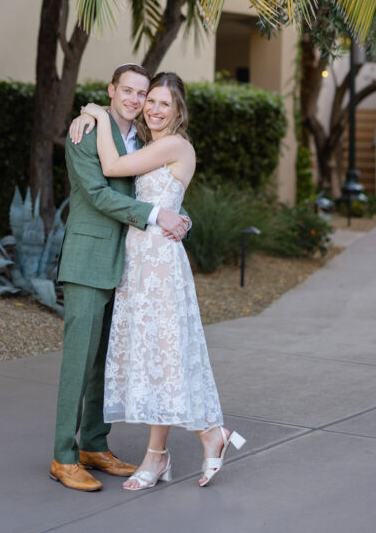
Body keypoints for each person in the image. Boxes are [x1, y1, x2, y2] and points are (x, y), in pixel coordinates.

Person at [76, 72, 245, 489]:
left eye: (163, 103)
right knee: (155, 358)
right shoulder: (155, 145)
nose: (152, 108)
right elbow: (157, 201)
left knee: (165, 356)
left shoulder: (173, 144)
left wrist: (96, 112)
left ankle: (195, 441)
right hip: (141, 261)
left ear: (178, 111)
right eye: (149, 100)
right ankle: (176, 448)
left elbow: (112, 167)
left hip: (157, 265)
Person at [50, 64, 190, 492]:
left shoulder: (142, 139)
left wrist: (176, 218)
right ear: (112, 91)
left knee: (102, 365)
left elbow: (158, 187)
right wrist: (155, 216)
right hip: (89, 260)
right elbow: (95, 194)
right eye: (127, 91)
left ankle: (94, 443)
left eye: (142, 94)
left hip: (129, 267)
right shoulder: (86, 131)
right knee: (78, 360)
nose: (135, 100)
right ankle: (63, 456)